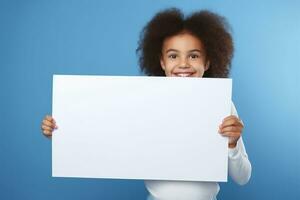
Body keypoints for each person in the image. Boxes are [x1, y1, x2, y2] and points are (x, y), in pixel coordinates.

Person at [41, 8, 251, 200]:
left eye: (194, 55)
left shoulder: (220, 104)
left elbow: (242, 177)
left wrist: (232, 142)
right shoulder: (145, 101)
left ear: (207, 61)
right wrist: (62, 133)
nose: (184, 64)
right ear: (161, 62)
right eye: (173, 56)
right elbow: (105, 134)